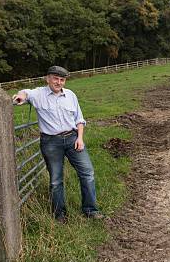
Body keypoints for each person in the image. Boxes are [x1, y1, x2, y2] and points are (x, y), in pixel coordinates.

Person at [12, 65, 103, 222]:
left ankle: (90, 210)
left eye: (62, 80)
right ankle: (60, 214)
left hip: (72, 138)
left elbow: (79, 119)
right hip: (51, 142)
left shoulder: (70, 95)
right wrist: (20, 97)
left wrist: (80, 138)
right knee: (56, 180)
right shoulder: (39, 94)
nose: (59, 82)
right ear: (48, 78)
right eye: (55, 78)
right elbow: (25, 93)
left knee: (87, 173)